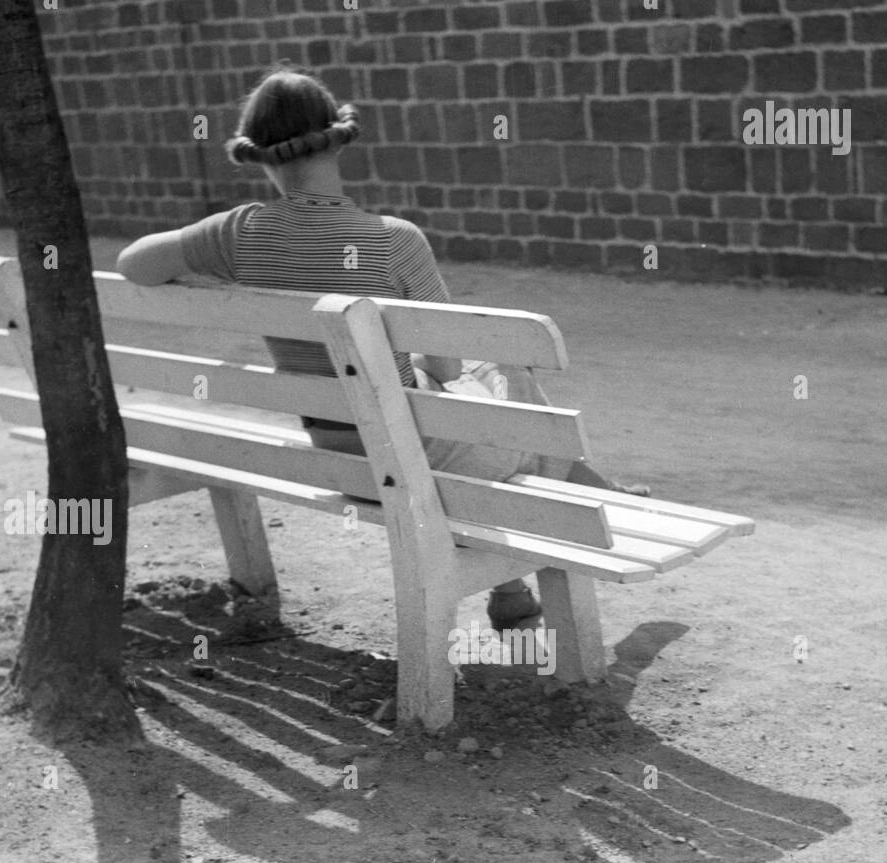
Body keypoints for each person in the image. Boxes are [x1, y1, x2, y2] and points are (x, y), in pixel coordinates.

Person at [117, 63, 644, 627]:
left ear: (261, 156)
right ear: (338, 140)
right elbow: (447, 363)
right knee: (507, 381)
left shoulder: (236, 234)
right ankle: (585, 488)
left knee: (461, 394)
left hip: (340, 453)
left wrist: (208, 268)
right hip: (415, 455)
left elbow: (133, 263)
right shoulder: (395, 240)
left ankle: (512, 588)